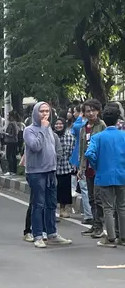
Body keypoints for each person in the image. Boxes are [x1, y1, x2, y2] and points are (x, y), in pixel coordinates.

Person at [23, 101, 72, 248]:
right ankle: (38, 234)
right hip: (36, 172)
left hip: (51, 171)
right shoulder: (29, 130)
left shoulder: (50, 130)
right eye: (42, 111)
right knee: (38, 204)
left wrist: (54, 161)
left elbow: (56, 147)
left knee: (51, 204)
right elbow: (36, 146)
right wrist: (43, 129)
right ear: (35, 113)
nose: (45, 114)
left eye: (47, 111)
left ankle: (52, 233)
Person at [84, 106, 125, 248]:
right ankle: (123, 237)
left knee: (107, 208)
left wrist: (96, 166)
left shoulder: (97, 137)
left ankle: (111, 238)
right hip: (122, 174)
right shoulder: (123, 135)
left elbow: (89, 154)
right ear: (117, 119)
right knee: (122, 206)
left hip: (104, 175)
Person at [78, 99, 106, 238]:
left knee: (98, 197)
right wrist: (80, 167)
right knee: (91, 198)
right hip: (87, 167)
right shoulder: (83, 128)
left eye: (92, 110)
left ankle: (99, 227)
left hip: (99, 167)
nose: (90, 113)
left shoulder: (102, 126)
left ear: (98, 111)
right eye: (87, 111)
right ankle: (94, 225)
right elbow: (82, 149)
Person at [53, 118, 75, 219]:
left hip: (66, 167)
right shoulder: (51, 137)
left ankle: (63, 209)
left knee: (65, 190)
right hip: (53, 167)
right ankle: (52, 211)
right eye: (57, 124)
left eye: (61, 124)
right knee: (53, 191)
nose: (58, 126)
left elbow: (72, 152)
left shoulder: (69, 137)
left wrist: (74, 164)